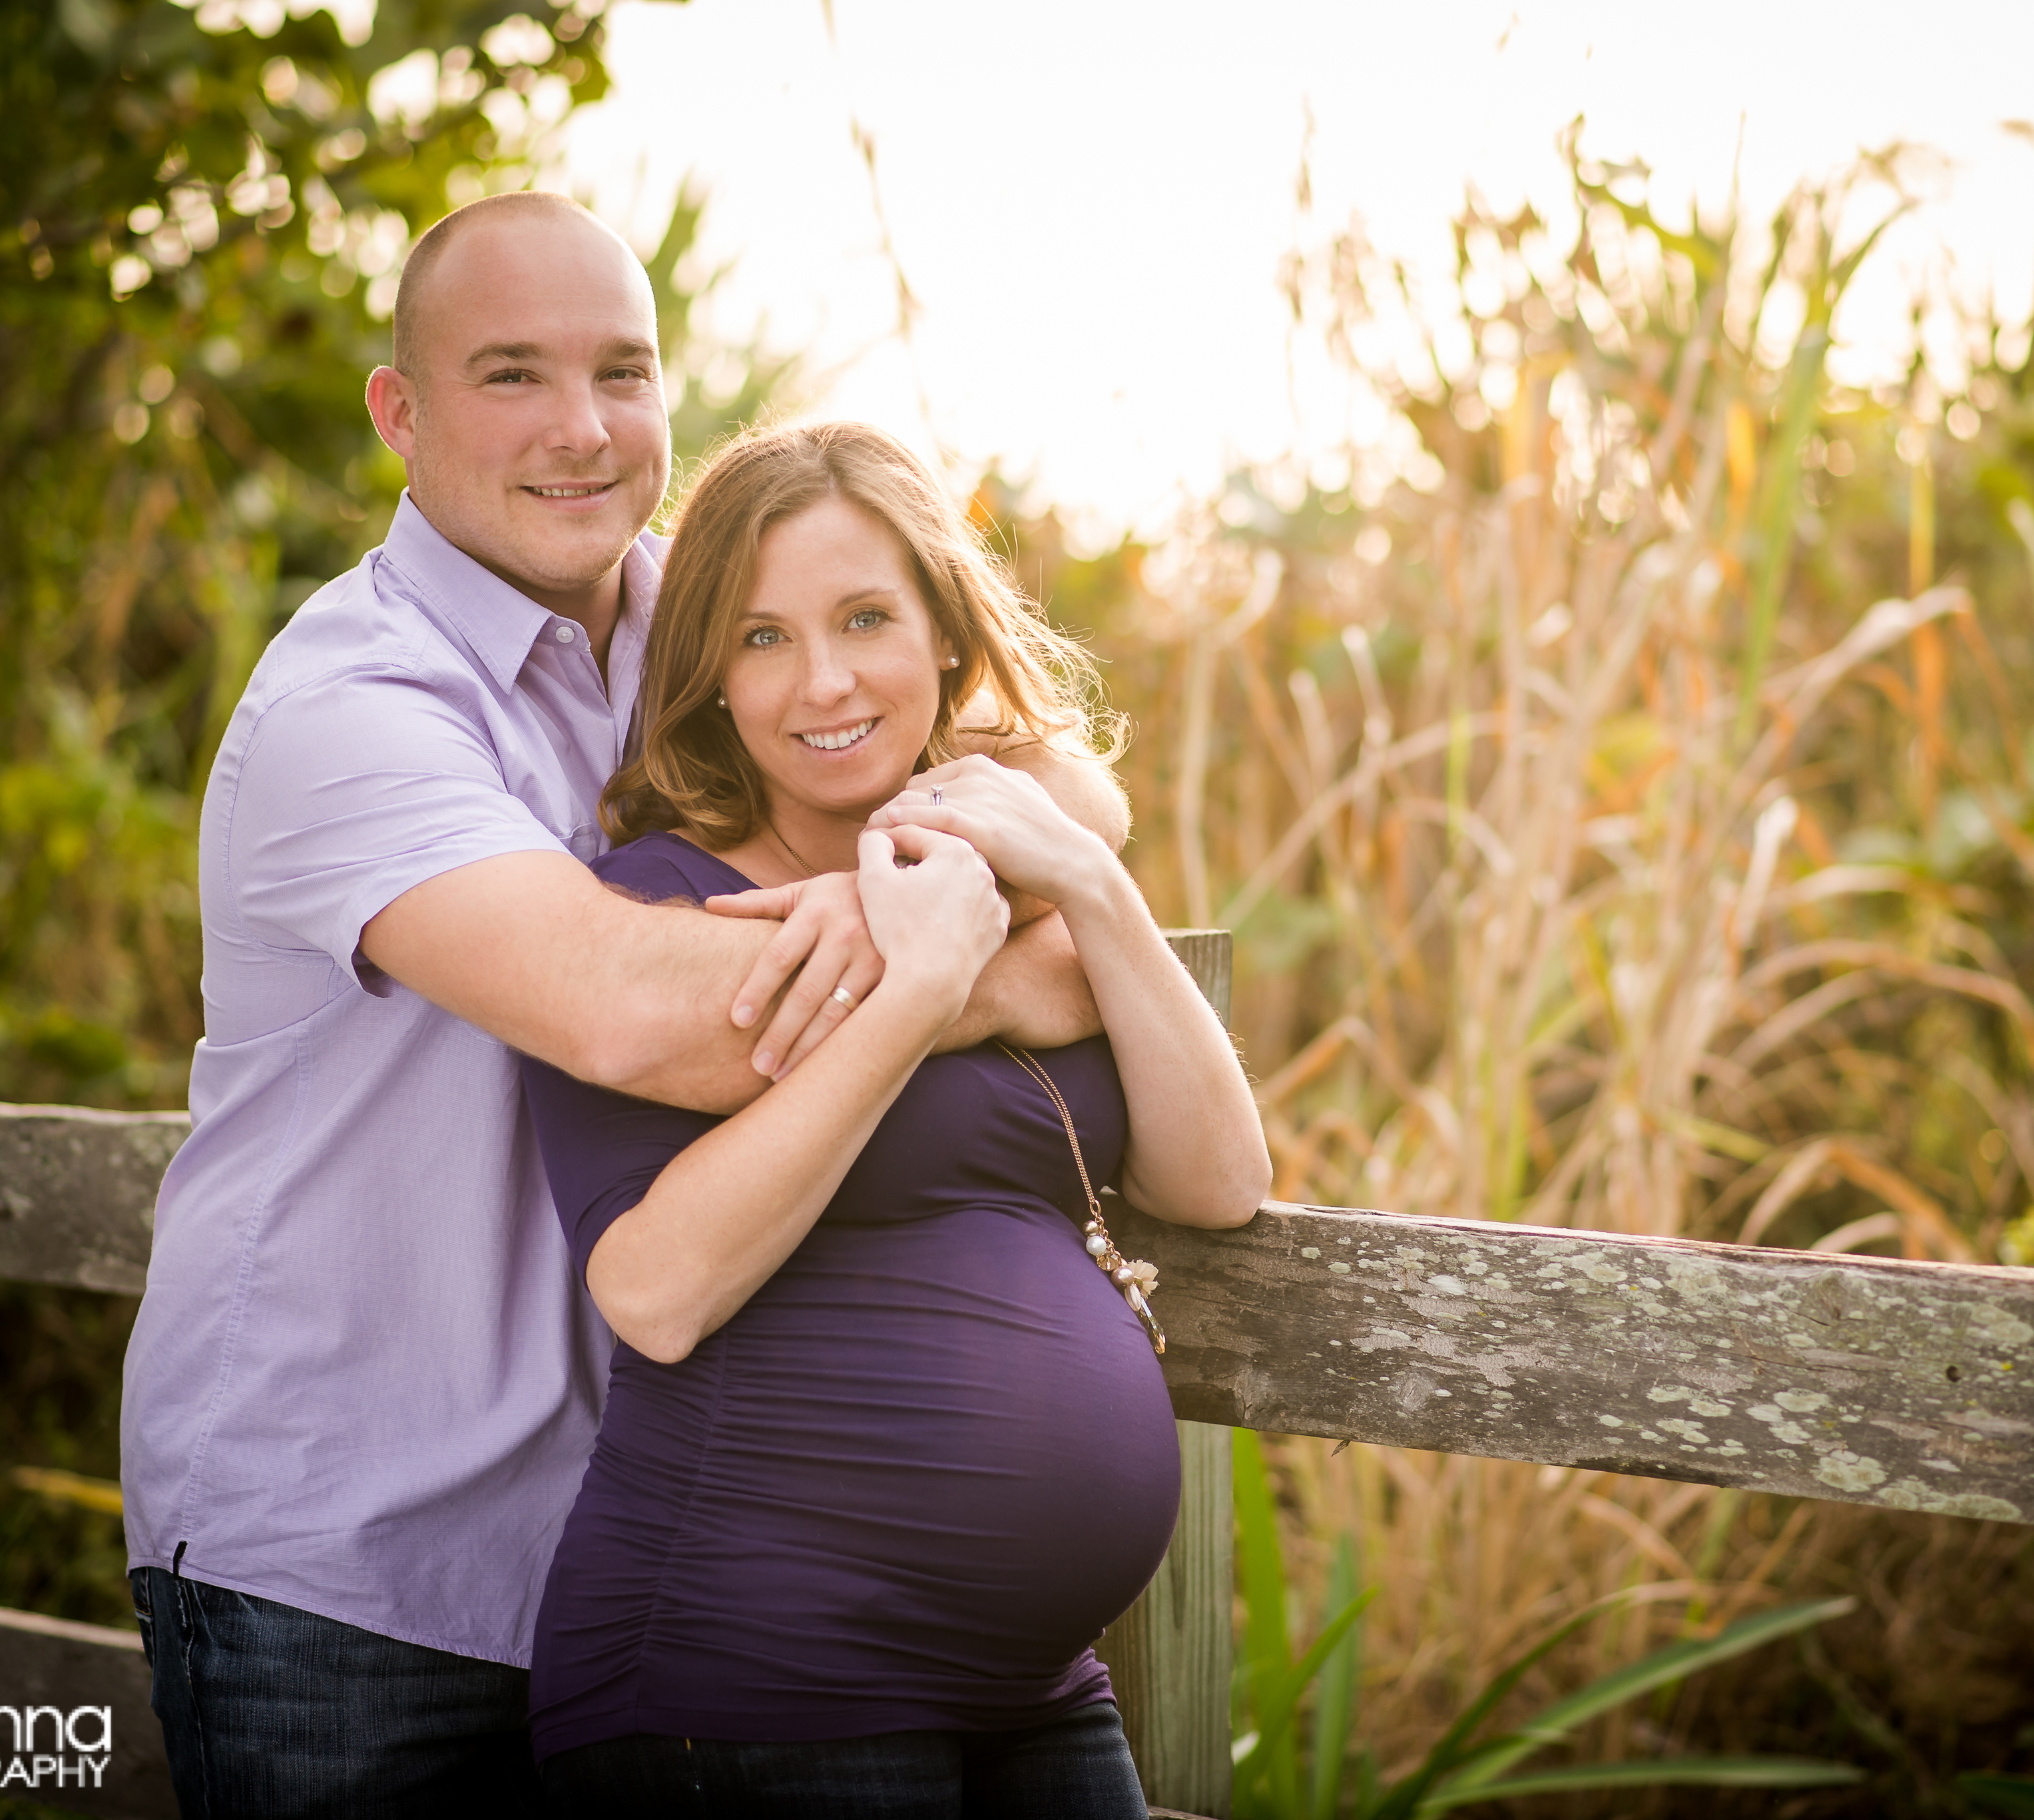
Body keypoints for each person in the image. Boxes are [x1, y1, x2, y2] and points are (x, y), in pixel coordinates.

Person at [119, 194, 1122, 1819]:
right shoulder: (345, 708)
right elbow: (637, 1015)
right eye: (510, 373)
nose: (580, 430)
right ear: (401, 410)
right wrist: (975, 962)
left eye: (623, 373)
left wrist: (1029, 885)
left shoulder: (706, 621)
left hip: (640, 1547)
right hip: (348, 1563)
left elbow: (1051, 771)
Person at [516, 420, 1271, 1816]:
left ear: (942, 628)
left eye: (865, 617)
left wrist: (1094, 892)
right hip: (751, 1680)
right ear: (712, 681)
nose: (823, 681)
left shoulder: (1015, 872)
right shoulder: (659, 910)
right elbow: (656, 1291)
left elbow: (1218, 1181)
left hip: (1033, 1682)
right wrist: (914, 992)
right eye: (760, 638)